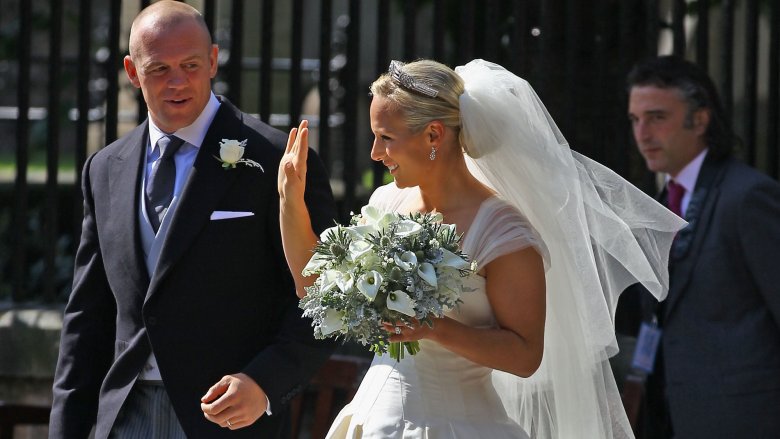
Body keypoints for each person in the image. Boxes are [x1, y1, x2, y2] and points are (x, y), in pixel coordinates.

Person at [279, 59, 684, 438]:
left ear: (434, 134)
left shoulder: (503, 232)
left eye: (386, 137)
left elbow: (525, 355)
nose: (375, 153)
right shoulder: (387, 203)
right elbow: (312, 287)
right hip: (372, 418)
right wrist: (289, 203)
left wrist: (435, 327)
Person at [49, 2, 337, 438]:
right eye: (159, 68)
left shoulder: (278, 159)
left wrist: (263, 383)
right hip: (124, 417)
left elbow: (326, 299)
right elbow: (87, 316)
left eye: (190, 65)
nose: (178, 82)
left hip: (228, 420)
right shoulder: (104, 168)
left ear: (214, 61)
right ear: (131, 72)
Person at [626, 55, 780, 438]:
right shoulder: (659, 204)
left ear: (700, 119)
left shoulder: (748, 197)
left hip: (746, 419)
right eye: (635, 120)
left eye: (657, 117)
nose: (642, 133)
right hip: (671, 415)